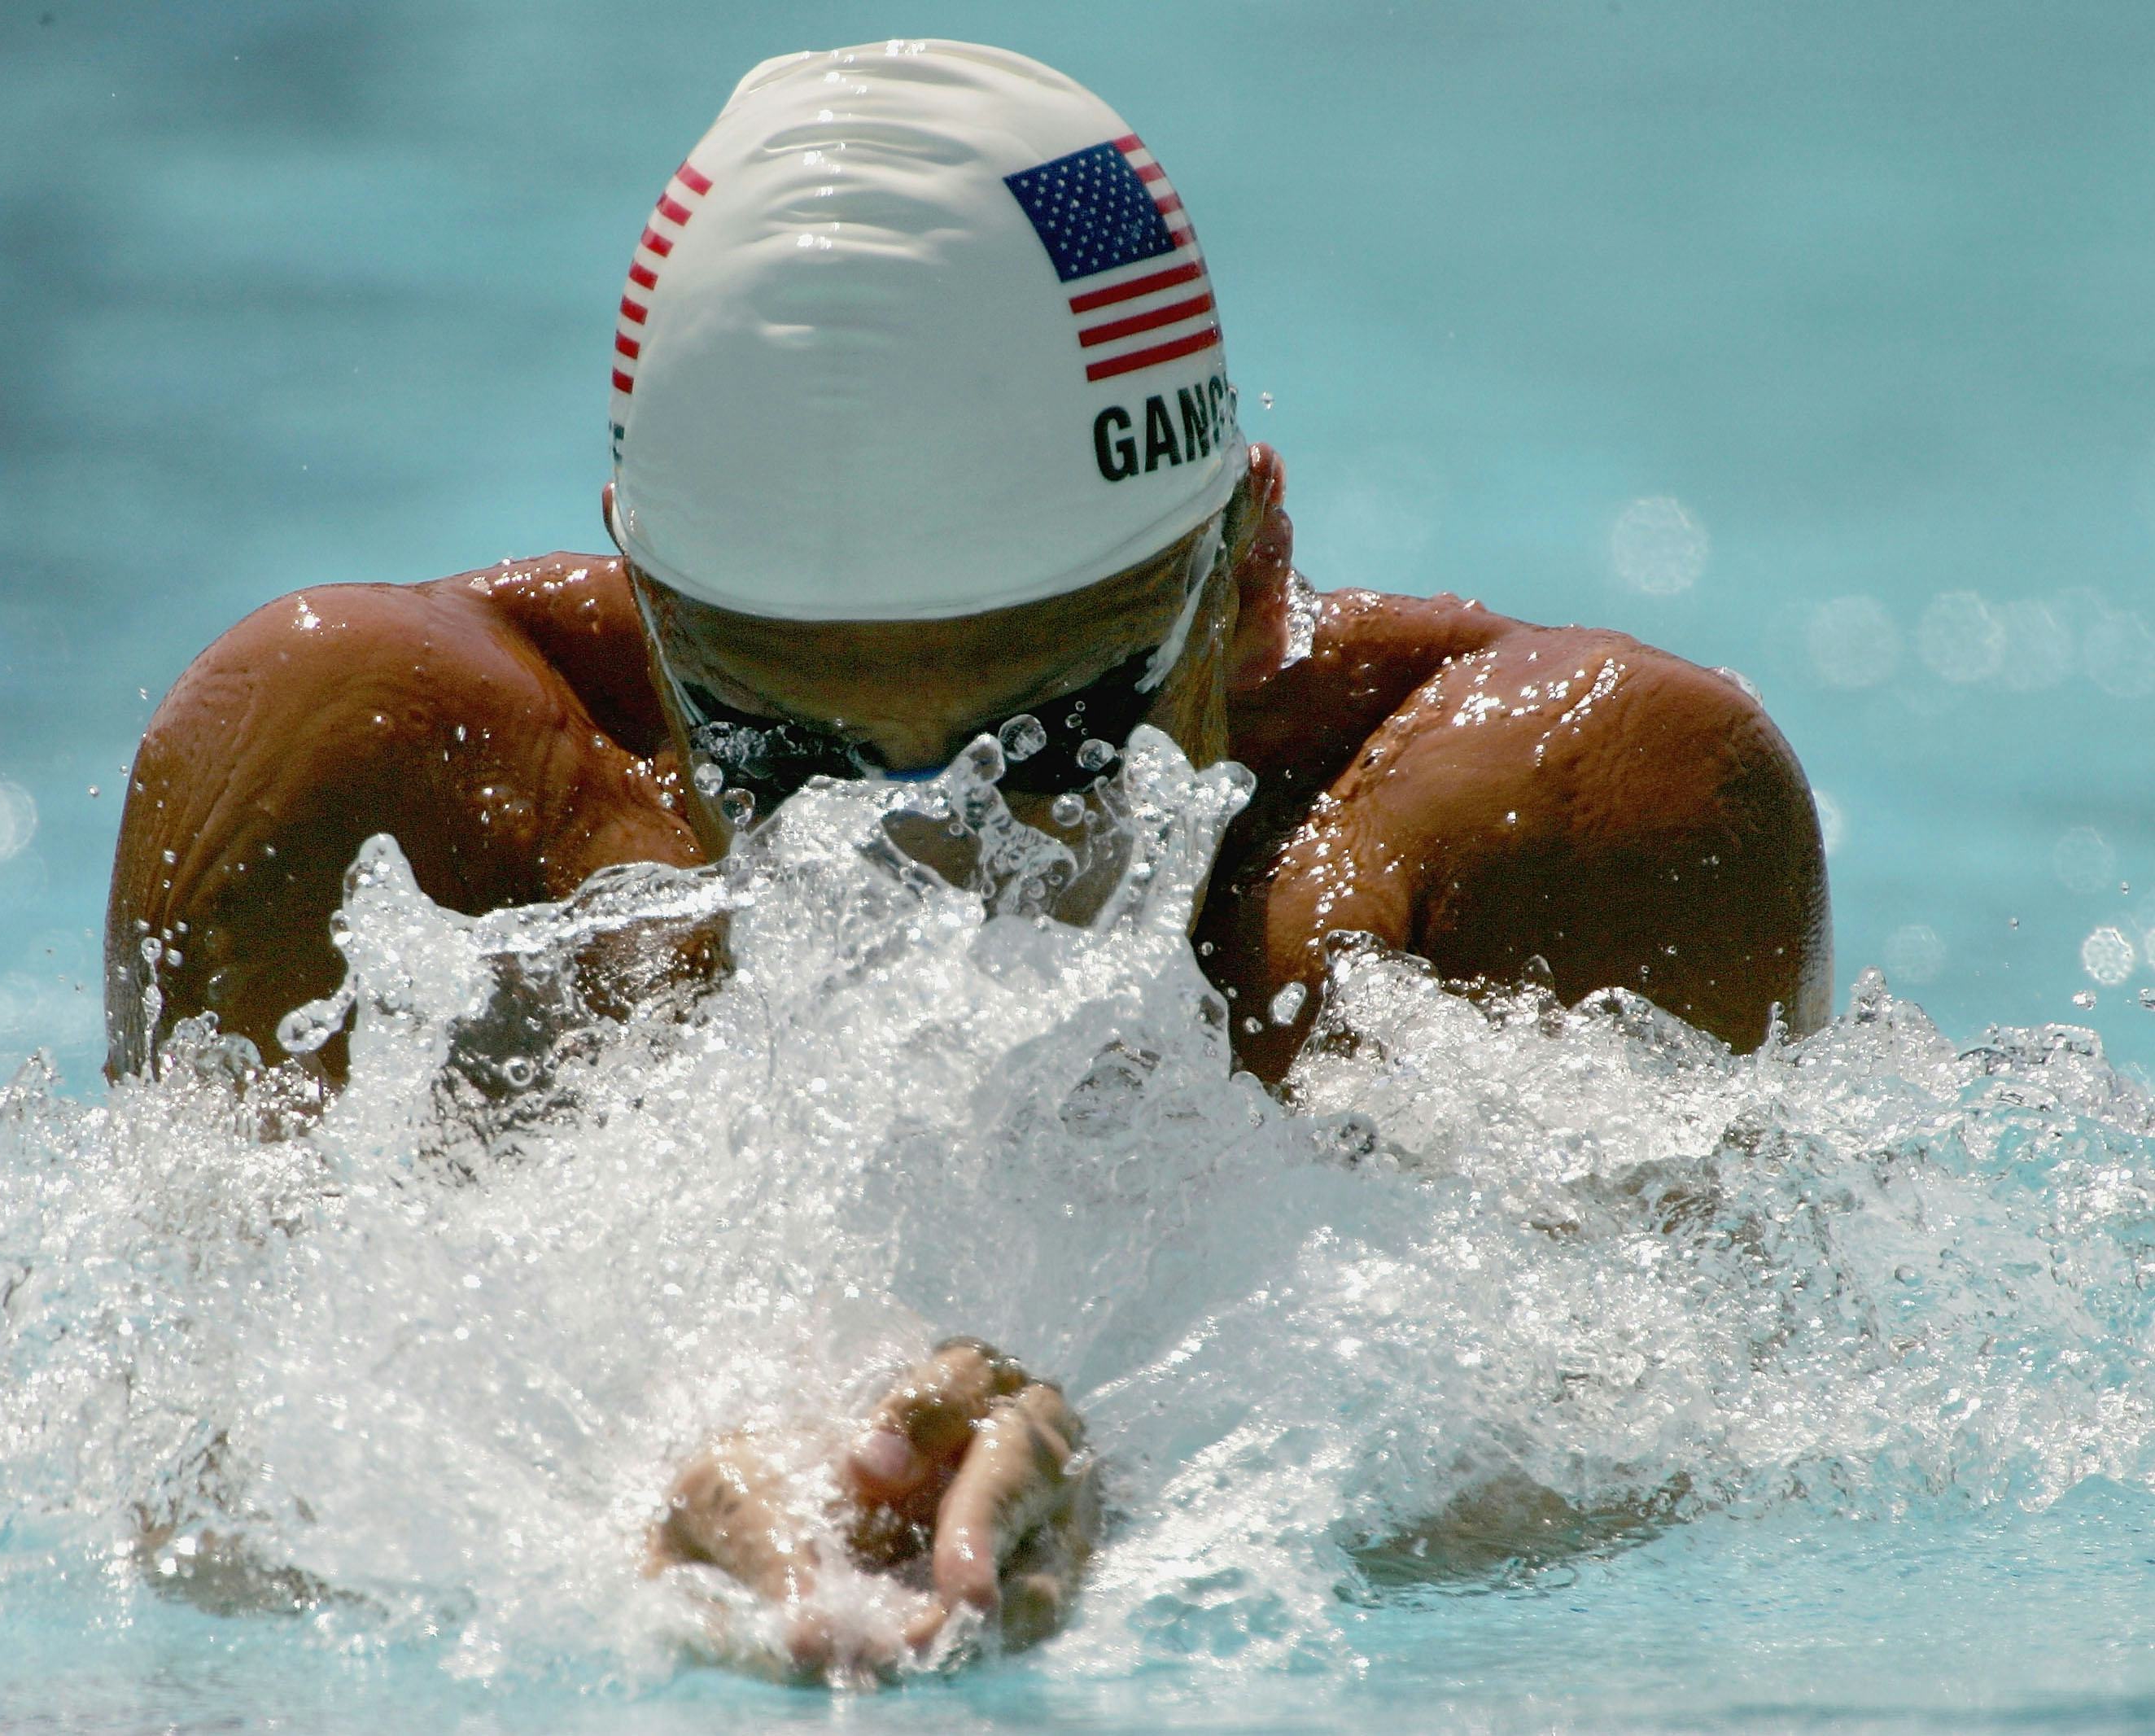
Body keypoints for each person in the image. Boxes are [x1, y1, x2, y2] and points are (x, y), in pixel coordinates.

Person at [104, 42, 1829, 1677]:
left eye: (1063, 743)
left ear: (1244, 566)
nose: (934, 859)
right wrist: (626, 1495)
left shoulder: (1569, 816)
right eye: (786, 757)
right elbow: (205, 1503)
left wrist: (1147, 1491)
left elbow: (1664, 1460)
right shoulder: (386, 800)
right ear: (649, 615)